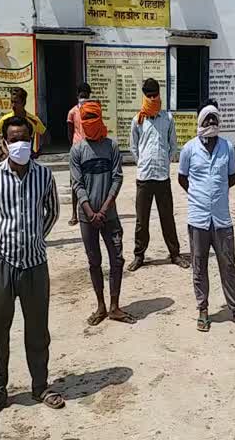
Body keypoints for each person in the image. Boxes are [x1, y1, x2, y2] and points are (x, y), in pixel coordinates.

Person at [0, 116, 64, 410]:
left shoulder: (44, 175)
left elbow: (52, 211)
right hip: (2, 264)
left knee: (38, 329)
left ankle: (40, 386)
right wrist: (4, 239)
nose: (20, 144)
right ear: (4, 142)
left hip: (36, 265)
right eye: (13, 139)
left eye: (24, 139)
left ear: (32, 141)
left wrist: (35, 237)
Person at [178, 102, 235, 333]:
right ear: (200, 123)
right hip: (198, 218)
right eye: (207, 119)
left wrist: (216, 193)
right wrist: (200, 195)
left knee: (228, 265)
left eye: (215, 119)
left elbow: (231, 178)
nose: (212, 123)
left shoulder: (227, 147)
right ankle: (203, 310)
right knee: (199, 265)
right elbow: (183, 179)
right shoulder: (189, 149)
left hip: (222, 218)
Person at [71, 101, 136, 326]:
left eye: (92, 118)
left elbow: (117, 177)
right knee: (94, 261)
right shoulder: (77, 150)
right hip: (87, 218)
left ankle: (115, 306)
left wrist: (104, 209)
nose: (88, 123)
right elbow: (77, 184)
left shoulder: (112, 146)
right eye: (84, 119)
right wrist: (90, 211)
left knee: (117, 259)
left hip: (109, 215)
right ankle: (101, 305)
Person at [127, 78, 189, 272]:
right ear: (144, 95)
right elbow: (133, 147)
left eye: (155, 94)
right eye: (149, 95)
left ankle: (175, 254)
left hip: (162, 176)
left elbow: (173, 146)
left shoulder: (167, 118)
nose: (152, 98)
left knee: (167, 217)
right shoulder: (137, 120)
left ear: (159, 94)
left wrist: (164, 161)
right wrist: (143, 162)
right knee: (141, 219)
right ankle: (139, 256)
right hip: (144, 177)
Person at [0, 87, 47, 159]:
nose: (13, 105)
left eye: (16, 102)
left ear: (23, 102)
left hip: (27, 160)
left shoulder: (33, 120)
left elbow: (46, 136)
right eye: (12, 102)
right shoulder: (5, 119)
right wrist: (1, 153)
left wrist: (38, 152)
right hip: (10, 161)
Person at [67, 82, 91, 226]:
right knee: (75, 182)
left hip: (89, 148)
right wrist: (73, 147)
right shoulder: (72, 112)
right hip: (77, 148)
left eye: (85, 95)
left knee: (88, 181)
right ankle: (74, 213)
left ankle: (85, 211)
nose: (83, 97)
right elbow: (70, 132)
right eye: (82, 95)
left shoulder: (93, 110)